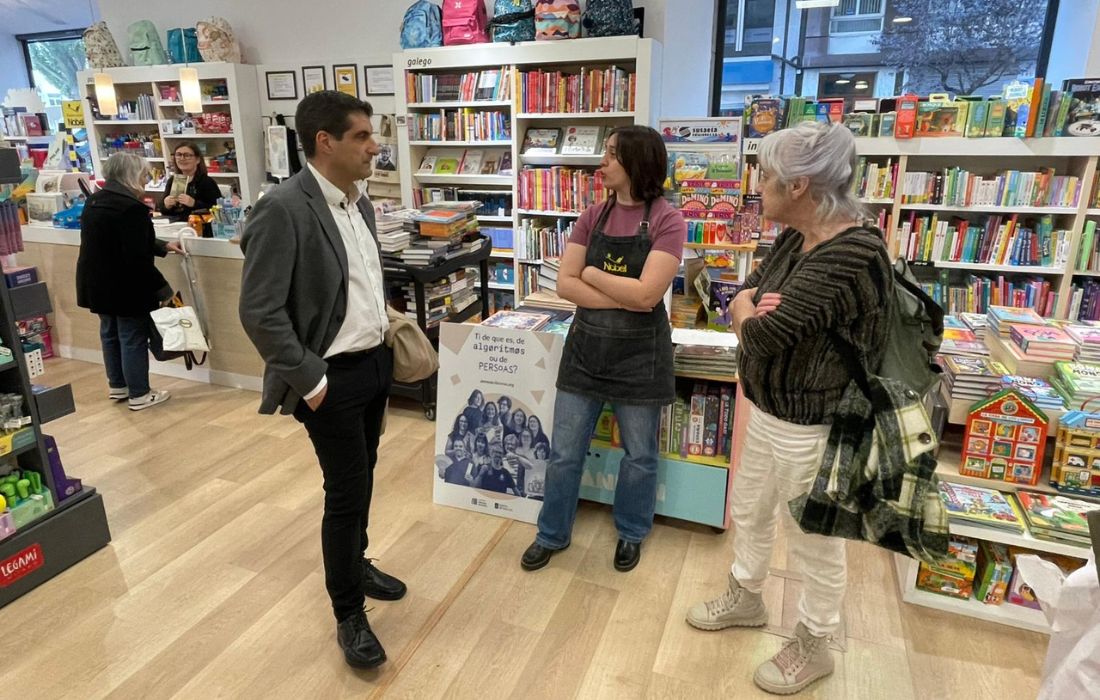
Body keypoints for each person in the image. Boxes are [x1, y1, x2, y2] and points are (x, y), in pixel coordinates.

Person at [685, 121, 892, 695]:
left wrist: (748, 312)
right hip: (769, 410)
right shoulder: (794, 237)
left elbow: (761, 334)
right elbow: (740, 295)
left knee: (813, 539)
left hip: (816, 425)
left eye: (767, 177)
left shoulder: (852, 252)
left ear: (799, 185)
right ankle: (746, 596)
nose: (759, 187)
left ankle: (815, 642)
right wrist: (747, 306)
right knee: (750, 510)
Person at [239, 90, 404, 671]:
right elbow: (259, 311)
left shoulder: (359, 203)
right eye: (362, 136)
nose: (374, 146)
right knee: (346, 491)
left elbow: (359, 284)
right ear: (324, 142)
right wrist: (311, 380)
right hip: (329, 379)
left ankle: (356, 562)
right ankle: (348, 611)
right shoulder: (282, 208)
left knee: (365, 475)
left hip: (374, 365)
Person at [520, 126, 686, 574]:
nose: (602, 162)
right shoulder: (593, 215)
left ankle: (631, 531)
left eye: (612, 154)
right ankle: (551, 533)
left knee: (640, 456)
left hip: (641, 357)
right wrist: (626, 295)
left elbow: (647, 295)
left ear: (637, 162)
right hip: (586, 351)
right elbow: (565, 284)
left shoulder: (668, 220)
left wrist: (593, 275)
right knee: (564, 453)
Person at [76, 152, 182, 411]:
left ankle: (118, 385)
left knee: (110, 333)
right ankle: (140, 393)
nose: (146, 180)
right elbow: (138, 257)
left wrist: (162, 245)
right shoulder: (131, 209)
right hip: (126, 284)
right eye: (144, 175)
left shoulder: (95, 201)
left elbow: (116, 240)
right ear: (130, 175)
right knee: (132, 335)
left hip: (97, 281)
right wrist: (163, 289)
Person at [160, 141, 223, 223]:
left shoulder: (206, 182)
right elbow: (163, 210)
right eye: (178, 155)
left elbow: (218, 209)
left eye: (187, 155)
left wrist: (194, 204)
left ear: (197, 160)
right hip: (175, 225)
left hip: (199, 225)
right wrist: (166, 205)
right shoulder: (172, 180)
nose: (182, 158)